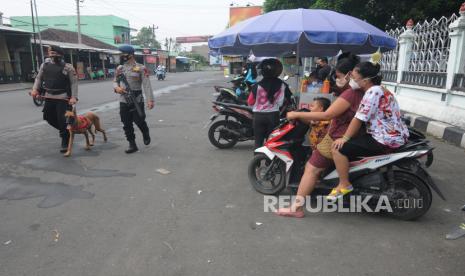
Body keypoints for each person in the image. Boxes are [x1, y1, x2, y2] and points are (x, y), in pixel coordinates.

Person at [276, 53, 363, 218]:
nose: (337, 79)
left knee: (311, 168)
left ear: (350, 74)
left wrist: (295, 114)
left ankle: (296, 208)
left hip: (338, 136)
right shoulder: (364, 91)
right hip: (353, 135)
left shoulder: (351, 94)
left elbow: (325, 116)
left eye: (338, 76)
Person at [329, 61, 409, 199]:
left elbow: (358, 118)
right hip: (395, 135)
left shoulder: (373, 91)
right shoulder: (382, 89)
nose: (351, 80)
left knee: (337, 148)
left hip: (384, 139)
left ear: (365, 80)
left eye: (354, 77)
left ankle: (344, 184)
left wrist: (345, 138)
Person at [31, 45, 78, 153]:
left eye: (55, 53)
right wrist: (35, 89)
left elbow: (74, 83)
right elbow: (39, 78)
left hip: (63, 97)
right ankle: (67, 131)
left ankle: (65, 139)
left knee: (62, 119)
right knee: (48, 116)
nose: (52, 55)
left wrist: (74, 97)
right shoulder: (45, 65)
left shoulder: (68, 67)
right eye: (51, 53)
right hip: (49, 96)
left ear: (60, 55)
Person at [113, 45, 155, 154]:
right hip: (123, 99)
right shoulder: (119, 68)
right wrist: (117, 88)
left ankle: (145, 131)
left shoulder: (141, 68)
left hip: (137, 98)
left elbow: (146, 85)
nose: (121, 56)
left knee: (139, 120)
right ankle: (132, 144)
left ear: (130, 55)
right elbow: (115, 81)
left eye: (122, 54)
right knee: (126, 123)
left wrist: (150, 100)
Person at [247, 58, 291, 149]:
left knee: (258, 141)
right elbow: (289, 99)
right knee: (271, 141)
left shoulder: (256, 86)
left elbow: (250, 102)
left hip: (258, 116)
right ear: (278, 70)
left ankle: (256, 162)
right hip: (273, 116)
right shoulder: (283, 85)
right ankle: (269, 162)